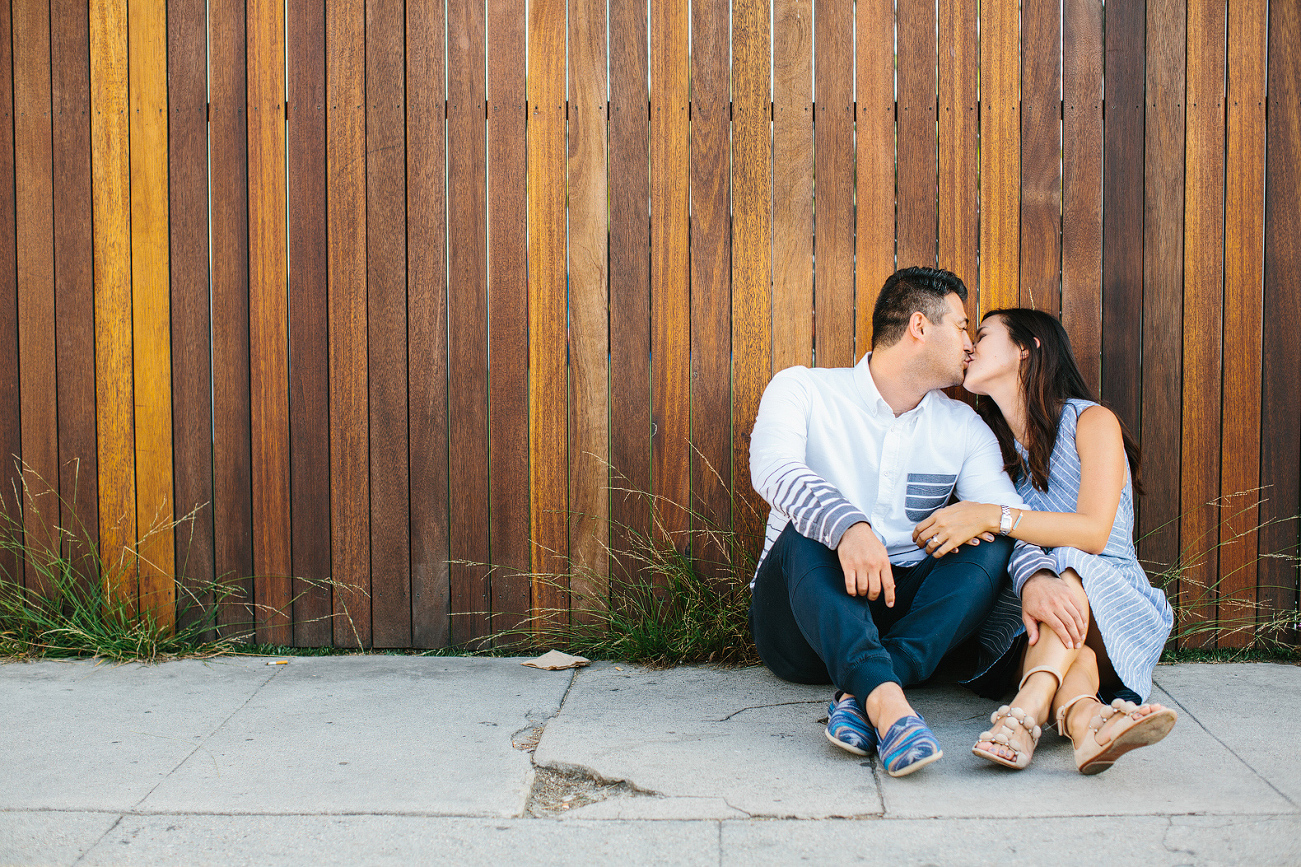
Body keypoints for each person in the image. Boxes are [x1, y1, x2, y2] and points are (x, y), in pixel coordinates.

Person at [747, 267, 1062, 777]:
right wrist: (849, 528)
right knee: (805, 526)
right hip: (803, 622)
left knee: (989, 540)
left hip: (904, 616)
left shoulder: (962, 427)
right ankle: (893, 707)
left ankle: (869, 693)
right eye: (962, 326)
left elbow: (1011, 517)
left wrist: (1037, 577)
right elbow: (774, 470)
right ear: (920, 326)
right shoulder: (802, 388)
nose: (969, 344)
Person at [913, 308, 1176, 774]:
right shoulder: (987, 446)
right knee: (1070, 628)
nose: (970, 345)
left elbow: (1094, 531)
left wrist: (992, 514)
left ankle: (1026, 711)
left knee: (1072, 562)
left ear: (1027, 348)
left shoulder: (1092, 422)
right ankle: (1088, 720)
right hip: (1029, 620)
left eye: (984, 334)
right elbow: (1003, 546)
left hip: (1112, 602)